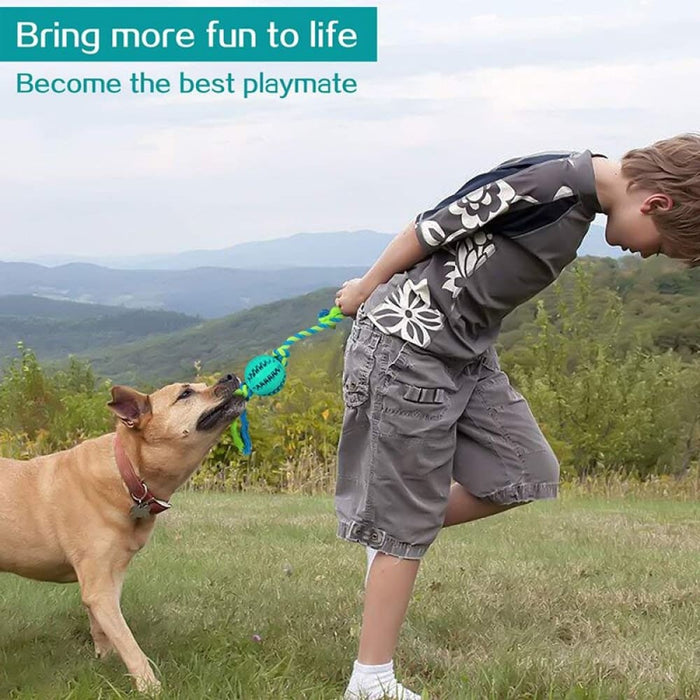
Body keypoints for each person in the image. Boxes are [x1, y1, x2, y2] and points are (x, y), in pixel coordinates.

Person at [333, 134, 700, 700]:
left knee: (524, 470)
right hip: (408, 348)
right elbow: (431, 226)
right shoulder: (549, 185)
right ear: (657, 204)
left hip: (468, 354)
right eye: (665, 246)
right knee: (404, 524)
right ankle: (371, 681)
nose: (652, 256)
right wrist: (366, 286)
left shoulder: (579, 200)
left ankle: (389, 537)